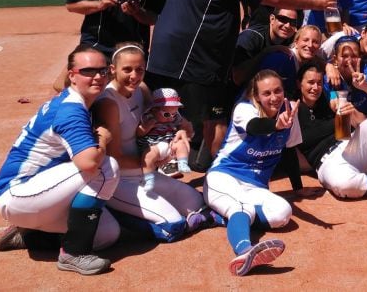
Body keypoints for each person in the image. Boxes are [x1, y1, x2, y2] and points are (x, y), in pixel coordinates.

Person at [145, 0, 336, 173]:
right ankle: (217, 178)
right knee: (215, 119)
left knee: (162, 119)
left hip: (165, 56)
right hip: (196, 58)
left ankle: (169, 173)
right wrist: (317, 3)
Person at [0, 44, 120, 275]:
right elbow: (89, 163)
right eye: (88, 71)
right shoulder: (70, 109)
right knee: (105, 167)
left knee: (108, 234)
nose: (98, 76)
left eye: (103, 71)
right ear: (72, 75)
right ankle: (74, 253)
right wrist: (104, 135)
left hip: (40, 191)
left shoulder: (75, 99)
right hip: (19, 193)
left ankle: (31, 234)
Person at [95, 43, 222, 242]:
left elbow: (171, 116)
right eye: (127, 69)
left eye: (139, 69)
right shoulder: (109, 102)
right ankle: (115, 213)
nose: (134, 76)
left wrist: (181, 130)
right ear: (113, 70)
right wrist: (154, 159)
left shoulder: (140, 89)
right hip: (119, 179)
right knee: (174, 225)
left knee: (198, 203)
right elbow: (114, 159)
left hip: (145, 173)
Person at [204, 70, 301, 276]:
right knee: (243, 207)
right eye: (266, 93)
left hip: (255, 185)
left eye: (278, 91)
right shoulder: (244, 109)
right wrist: (277, 124)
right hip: (224, 176)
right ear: (256, 96)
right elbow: (255, 126)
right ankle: (244, 252)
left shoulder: (289, 110)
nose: (274, 97)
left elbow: (289, 149)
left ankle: (217, 217)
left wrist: (298, 188)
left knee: (282, 214)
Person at [294, 63, 367, 198]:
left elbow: (361, 124)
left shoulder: (330, 100)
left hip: (350, 148)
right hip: (328, 163)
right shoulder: (294, 109)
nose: (315, 87)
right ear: (299, 84)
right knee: (343, 184)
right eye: (310, 82)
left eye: (319, 83)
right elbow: (301, 142)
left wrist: (351, 111)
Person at [136, 88, 193, 189]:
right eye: (167, 114)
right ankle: (148, 179)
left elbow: (185, 125)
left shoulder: (174, 118)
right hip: (154, 145)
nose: (171, 117)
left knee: (181, 145)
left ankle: (182, 162)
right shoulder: (148, 118)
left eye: (174, 114)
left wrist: (182, 132)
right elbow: (138, 133)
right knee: (148, 157)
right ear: (154, 109)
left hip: (170, 142)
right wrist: (147, 127)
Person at [323, 36, 367, 118]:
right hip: (344, 125)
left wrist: (365, 86)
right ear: (335, 59)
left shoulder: (364, 68)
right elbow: (333, 98)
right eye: (344, 56)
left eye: (354, 56)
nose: (349, 60)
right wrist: (334, 98)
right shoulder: (331, 77)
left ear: (360, 58)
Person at [232, 7, 299, 88]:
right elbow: (237, 78)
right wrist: (267, 52)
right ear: (272, 19)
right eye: (283, 19)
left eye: (293, 22)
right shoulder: (251, 37)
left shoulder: (291, 40)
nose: (288, 26)